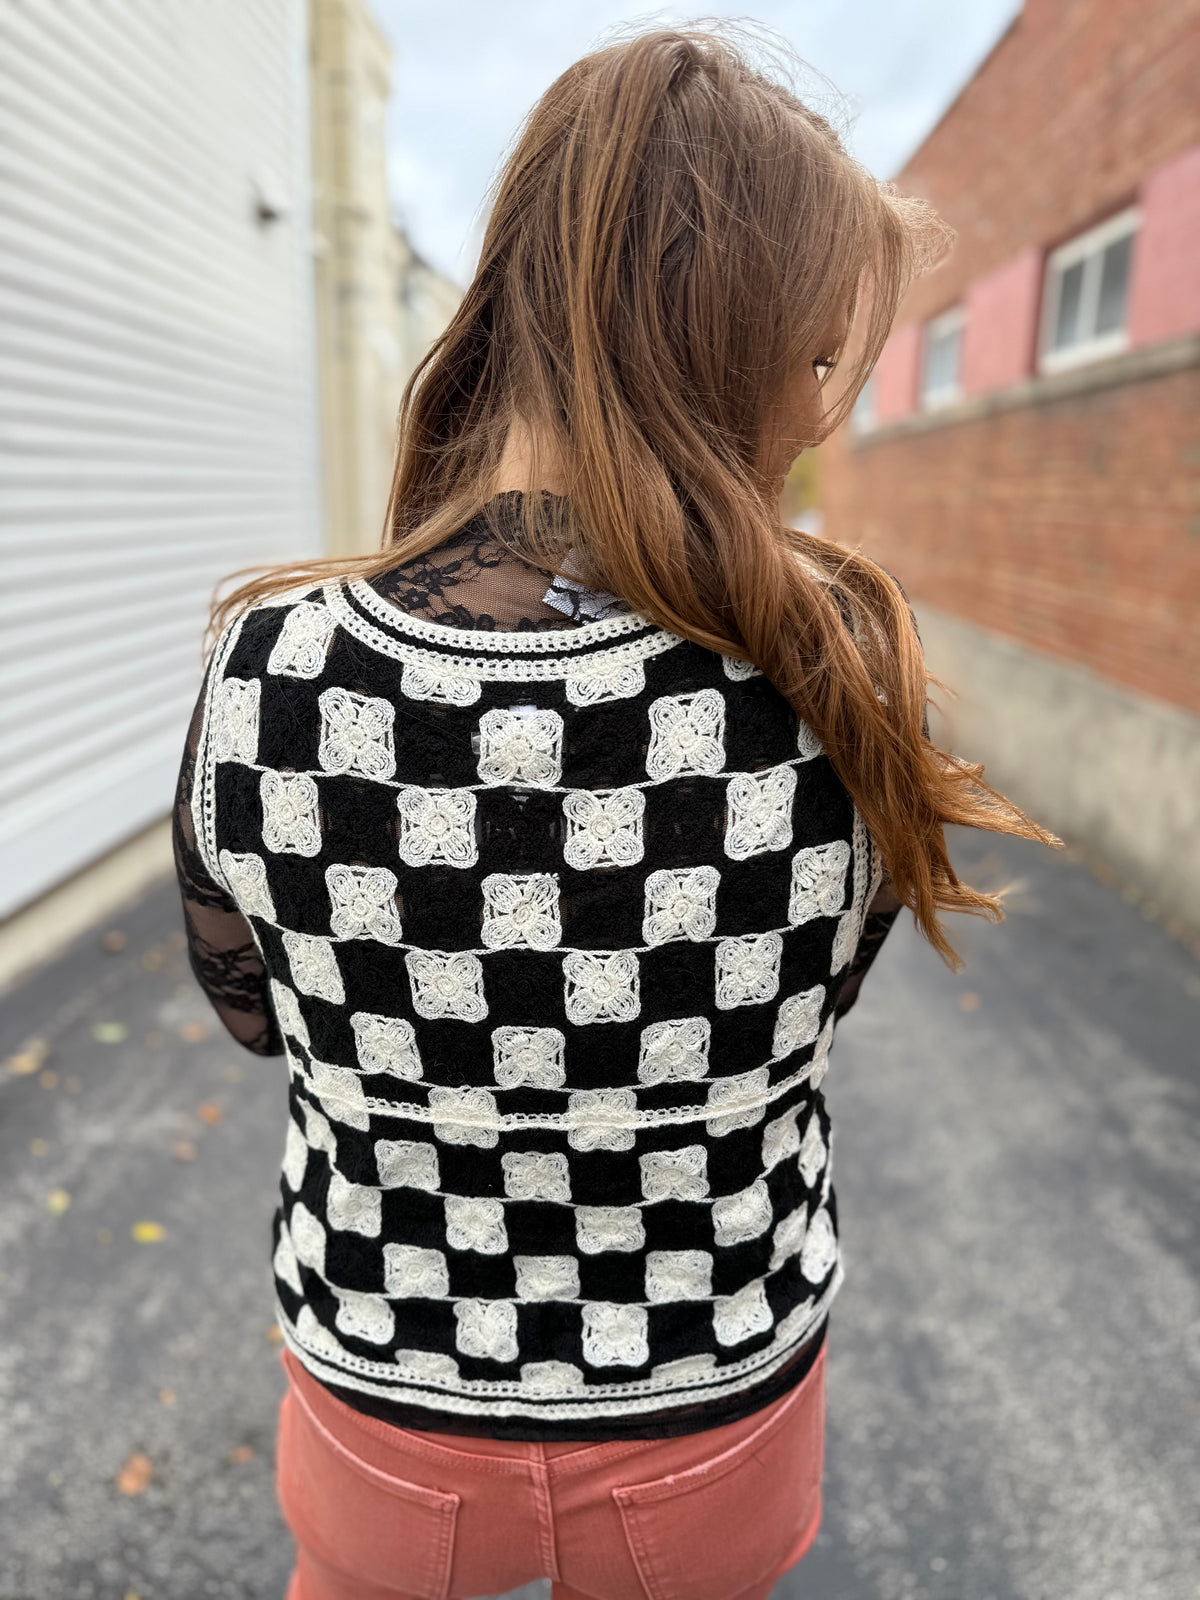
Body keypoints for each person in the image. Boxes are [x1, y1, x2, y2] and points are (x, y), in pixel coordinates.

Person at [173, 27, 1050, 1600]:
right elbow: (809, 998)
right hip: (714, 1389)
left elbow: (257, 1014)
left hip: (388, 1382)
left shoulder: (274, 662)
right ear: (734, 338)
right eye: (819, 357)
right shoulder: (832, 662)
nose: (822, 404)